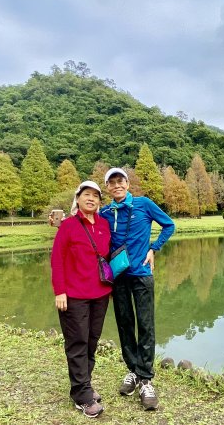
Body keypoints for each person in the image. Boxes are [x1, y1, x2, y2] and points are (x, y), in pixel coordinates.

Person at [99, 168, 175, 410]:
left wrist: (154, 248)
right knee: (124, 324)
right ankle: (133, 370)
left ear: (128, 183)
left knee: (145, 324)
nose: (117, 185)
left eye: (120, 181)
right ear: (108, 188)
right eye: (112, 183)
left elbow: (169, 225)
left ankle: (145, 378)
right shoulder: (106, 212)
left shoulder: (143, 204)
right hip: (118, 277)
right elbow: (89, 229)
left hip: (142, 275)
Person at [50, 180, 112, 418]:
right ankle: (83, 397)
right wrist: (60, 290)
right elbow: (57, 259)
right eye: (86, 195)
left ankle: (82, 386)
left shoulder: (104, 224)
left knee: (92, 341)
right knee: (77, 343)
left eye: (96, 196)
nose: (91, 199)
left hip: (101, 294)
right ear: (77, 199)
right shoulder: (68, 226)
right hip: (74, 296)